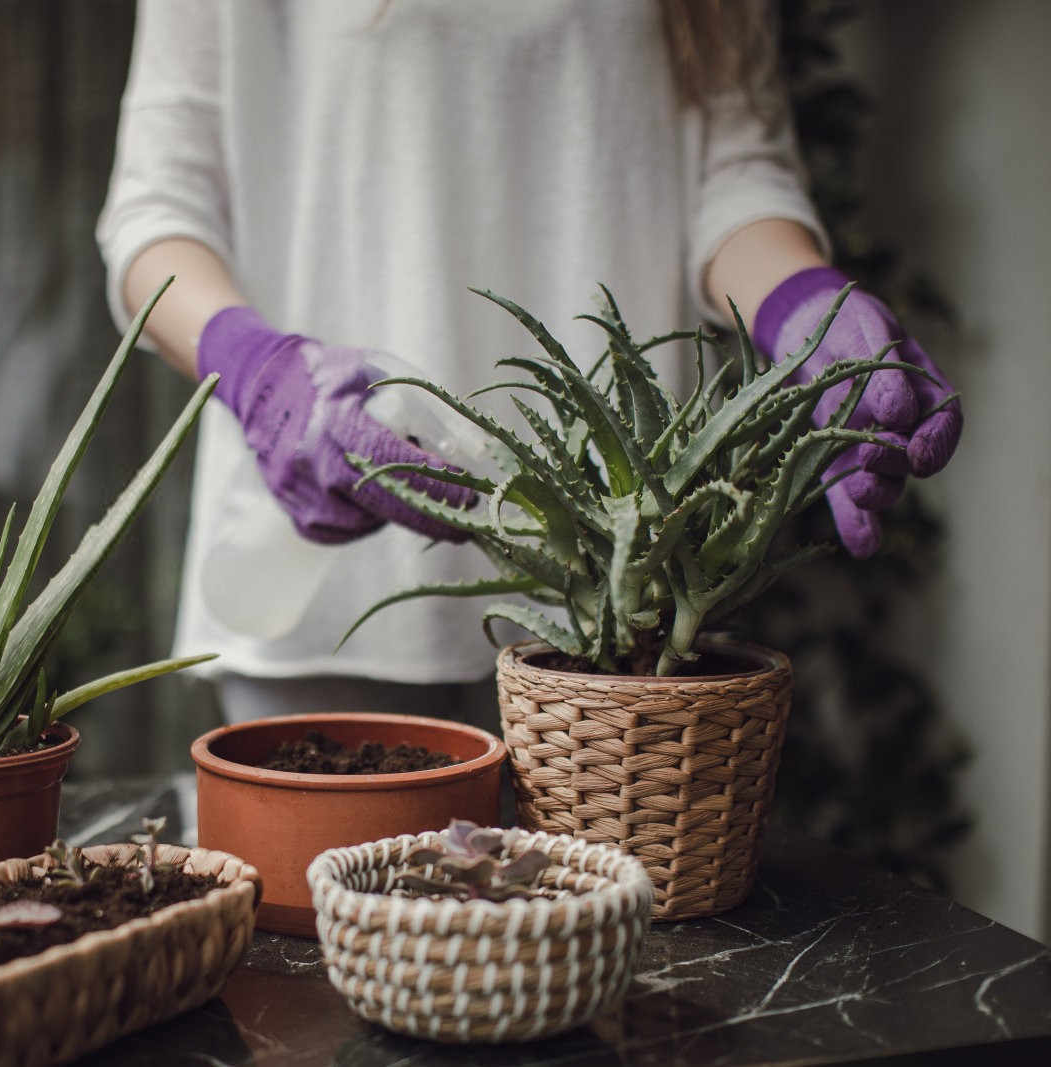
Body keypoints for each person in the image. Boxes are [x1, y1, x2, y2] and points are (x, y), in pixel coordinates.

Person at [95, 0, 961, 726]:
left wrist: (805, 305)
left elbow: (734, 167)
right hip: (335, 575)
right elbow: (157, 210)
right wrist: (254, 368)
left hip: (626, 588)